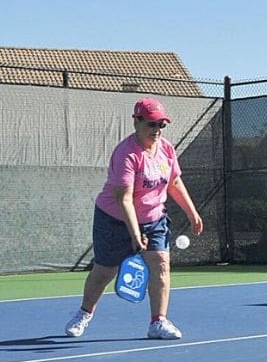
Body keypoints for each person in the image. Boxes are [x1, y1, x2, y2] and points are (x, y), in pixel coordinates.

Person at [64, 97, 204, 339]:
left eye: (161, 125)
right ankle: (84, 313)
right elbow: (124, 199)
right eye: (151, 124)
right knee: (104, 271)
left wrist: (192, 212)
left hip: (154, 217)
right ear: (136, 122)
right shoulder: (126, 154)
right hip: (114, 218)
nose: (157, 130)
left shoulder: (167, 149)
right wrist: (135, 234)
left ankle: (158, 322)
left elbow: (174, 182)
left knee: (161, 264)